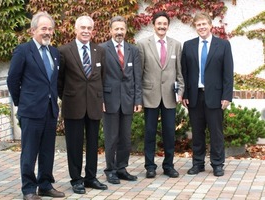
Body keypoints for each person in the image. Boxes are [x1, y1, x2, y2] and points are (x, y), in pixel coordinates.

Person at [7, 12, 65, 200]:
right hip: (30, 111)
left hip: (49, 110)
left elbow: (54, 83)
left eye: (50, 29)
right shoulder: (23, 51)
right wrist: (21, 102)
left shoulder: (54, 52)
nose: (47, 32)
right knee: (30, 152)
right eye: (43, 29)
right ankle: (29, 189)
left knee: (47, 151)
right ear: (33, 30)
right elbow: (12, 80)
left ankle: (45, 185)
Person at [57, 15, 107, 194]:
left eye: (89, 28)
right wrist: (67, 96)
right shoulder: (64, 51)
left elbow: (102, 77)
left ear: (93, 31)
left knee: (93, 144)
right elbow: (59, 81)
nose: (86, 31)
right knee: (74, 145)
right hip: (73, 104)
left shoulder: (99, 51)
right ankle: (76, 179)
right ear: (75, 30)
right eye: (82, 28)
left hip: (94, 104)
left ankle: (91, 178)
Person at [181, 12, 234, 177]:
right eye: (198, 25)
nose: (201, 27)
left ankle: (218, 164)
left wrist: (226, 96)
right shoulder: (188, 45)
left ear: (210, 25)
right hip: (195, 96)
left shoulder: (223, 45)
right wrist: (184, 94)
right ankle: (198, 163)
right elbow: (185, 72)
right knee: (197, 132)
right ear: (195, 27)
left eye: (204, 24)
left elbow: (227, 73)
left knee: (216, 132)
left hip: (216, 97)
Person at [137, 11, 184, 179]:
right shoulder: (142, 44)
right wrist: (139, 97)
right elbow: (139, 73)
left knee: (170, 133)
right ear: (153, 25)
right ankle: (150, 166)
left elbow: (179, 72)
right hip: (150, 95)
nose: (162, 26)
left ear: (168, 26)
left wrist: (180, 91)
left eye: (165, 24)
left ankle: (169, 166)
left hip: (170, 96)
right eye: (159, 24)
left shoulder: (176, 45)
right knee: (150, 132)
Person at [99, 16, 143, 184]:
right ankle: (110, 170)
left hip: (128, 99)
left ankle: (121, 168)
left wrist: (137, 99)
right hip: (109, 100)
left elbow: (136, 76)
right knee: (111, 137)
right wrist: (100, 99)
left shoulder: (133, 50)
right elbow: (99, 77)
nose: (119, 32)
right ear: (110, 30)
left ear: (126, 30)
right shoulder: (102, 49)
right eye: (116, 29)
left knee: (125, 137)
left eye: (122, 29)